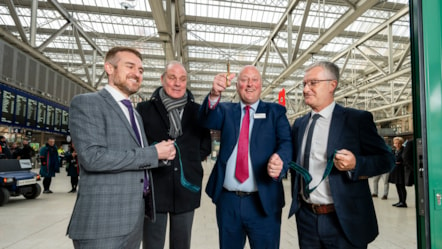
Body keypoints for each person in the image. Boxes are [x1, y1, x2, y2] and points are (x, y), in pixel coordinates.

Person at [66, 46, 176, 249]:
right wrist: (152, 153)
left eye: (141, 70)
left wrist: (160, 156)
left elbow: (134, 157)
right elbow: (93, 158)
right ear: (109, 68)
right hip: (102, 224)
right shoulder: (87, 103)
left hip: (133, 221)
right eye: (130, 66)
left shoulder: (134, 113)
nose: (137, 73)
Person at [289, 61, 395, 249]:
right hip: (307, 219)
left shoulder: (356, 119)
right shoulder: (300, 124)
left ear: (332, 85)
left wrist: (356, 164)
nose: (306, 89)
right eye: (304, 84)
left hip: (344, 221)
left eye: (313, 83)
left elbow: (387, 160)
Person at [198, 65, 293, 249]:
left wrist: (281, 159)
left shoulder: (275, 112)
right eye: (244, 80)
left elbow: (286, 142)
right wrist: (214, 95)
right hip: (228, 203)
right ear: (236, 85)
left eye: (254, 80)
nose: (249, 84)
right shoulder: (225, 110)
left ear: (261, 84)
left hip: (263, 201)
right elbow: (206, 120)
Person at [136, 61, 212, 249]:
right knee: (152, 243)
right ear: (162, 79)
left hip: (186, 188)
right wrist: (157, 154)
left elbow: (205, 146)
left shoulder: (197, 111)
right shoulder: (144, 110)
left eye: (182, 79)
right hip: (154, 188)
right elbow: (137, 145)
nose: (177, 83)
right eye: (172, 78)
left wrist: (184, 157)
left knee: (182, 244)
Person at [389, 136, 408, 208]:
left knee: (401, 186)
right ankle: (400, 201)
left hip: (401, 170)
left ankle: (403, 202)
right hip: (395, 170)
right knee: (397, 186)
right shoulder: (394, 151)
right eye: (395, 143)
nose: (397, 144)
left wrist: (400, 163)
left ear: (401, 143)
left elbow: (405, 159)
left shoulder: (403, 150)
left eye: (398, 143)